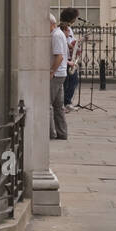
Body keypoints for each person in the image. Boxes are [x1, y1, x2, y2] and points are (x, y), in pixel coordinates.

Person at [49, 12, 68, 141]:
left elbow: (59, 56)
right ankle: (62, 133)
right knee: (58, 106)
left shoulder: (55, 35)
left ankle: (50, 133)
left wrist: (51, 71)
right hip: (61, 73)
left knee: (47, 104)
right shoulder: (59, 34)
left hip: (56, 74)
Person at [60, 8, 80, 109]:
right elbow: (63, 40)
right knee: (67, 82)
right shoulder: (63, 27)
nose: (75, 19)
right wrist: (71, 46)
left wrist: (78, 43)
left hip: (71, 57)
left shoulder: (70, 28)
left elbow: (72, 40)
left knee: (73, 81)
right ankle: (65, 103)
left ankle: (67, 102)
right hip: (66, 59)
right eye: (74, 17)